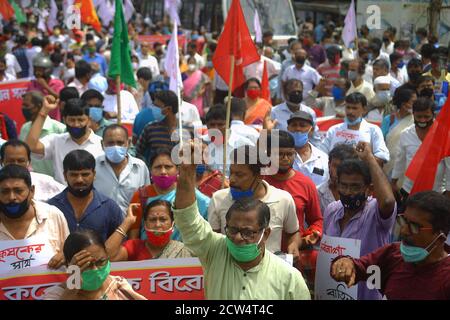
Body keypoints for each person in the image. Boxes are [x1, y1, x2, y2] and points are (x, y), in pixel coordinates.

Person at [172, 141, 310, 299]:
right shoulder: (215, 251)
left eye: (247, 232)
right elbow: (187, 220)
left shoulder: (290, 278)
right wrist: (186, 173)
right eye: (232, 230)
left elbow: (294, 232)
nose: (238, 237)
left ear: (265, 234)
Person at [330, 191, 450, 300]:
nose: (404, 231)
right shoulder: (393, 254)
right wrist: (345, 263)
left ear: (440, 238)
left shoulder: (445, 279)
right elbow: (359, 267)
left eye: (415, 227)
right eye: (403, 221)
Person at [323, 141, 397, 300]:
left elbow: (388, 202)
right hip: (333, 292)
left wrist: (370, 159)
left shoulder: (375, 212)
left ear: (369, 189)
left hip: (368, 294)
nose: (348, 192)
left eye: (355, 187)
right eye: (344, 185)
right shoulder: (332, 210)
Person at [208, 145, 302, 258]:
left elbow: (293, 233)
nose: (232, 179)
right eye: (231, 172)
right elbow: (213, 240)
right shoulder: (218, 199)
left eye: (239, 175)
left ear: (260, 176)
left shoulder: (283, 200)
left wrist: (294, 245)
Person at [127, 148, 210, 241]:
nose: (163, 172)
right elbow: (133, 238)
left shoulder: (189, 193)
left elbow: (207, 213)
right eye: (158, 167)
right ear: (150, 170)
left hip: (183, 253)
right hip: (148, 253)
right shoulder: (141, 196)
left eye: (168, 167)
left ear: (177, 170)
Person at [0, 164, 69, 269]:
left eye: (18, 191)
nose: (12, 197)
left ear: (32, 191)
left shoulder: (52, 215)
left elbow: (70, 255)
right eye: (5, 192)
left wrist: (66, 256)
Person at [42, 230, 146, 300]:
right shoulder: (55, 295)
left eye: (101, 262)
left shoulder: (118, 286)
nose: (95, 270)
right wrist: (72, 286)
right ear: (70, 266)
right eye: (87, 265)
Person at [25, 96, 104, 184]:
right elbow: (30, 146)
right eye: (72, 120)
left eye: (81, 120)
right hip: (63, 196)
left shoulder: (101, 143)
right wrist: (44, 112)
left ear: (88, 120)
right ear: (64, 120)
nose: (76, 124)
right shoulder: (55, 141)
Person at [48, 150, 123, 241]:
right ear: (65, 175)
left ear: (94, 174)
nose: (79, 180)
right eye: (74, 175)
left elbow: (119, 246)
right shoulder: (51, 208)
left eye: (85, 174)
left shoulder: (110, 208)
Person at [263, 130, 323, 242]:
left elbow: (317, 220)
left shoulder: (306, 184)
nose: (286, 158)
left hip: (295, 252)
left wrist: (313, 234)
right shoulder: (258, 180)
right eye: (280, 154)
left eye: (290, 154)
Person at [391, 98, 447, 203]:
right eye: (419, 116)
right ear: (413, 115)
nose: (422, 120)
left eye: (426, 116)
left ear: (433, 115)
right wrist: (393, 182)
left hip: (436, 193)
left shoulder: (445, 135)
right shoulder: (406, 134)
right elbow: (400, 160)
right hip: (409, 191)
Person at [107, 200, 193, 261]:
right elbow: (106, 257)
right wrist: (127, 222)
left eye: (163, 219)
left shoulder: (182, 251)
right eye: (152, 219)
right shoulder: (134, 247)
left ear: (172, 223)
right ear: (145, 224)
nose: (157, 224)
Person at [94, 124, 150, 215]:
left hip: (134, 226)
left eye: (120, 143)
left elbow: (147, 198)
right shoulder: (94, 166)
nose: (115, 147)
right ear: (102, 144)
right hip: (102, 226)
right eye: (110, 143)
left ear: (128, 143)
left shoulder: (140, 167)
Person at [319, 92, 390, 165]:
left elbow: (383, 156)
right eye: (348, 107)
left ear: (364, 109)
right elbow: (321, 153)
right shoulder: (334, 130)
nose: (350, 111)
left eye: (354, 108)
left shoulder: (373, 130)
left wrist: (366, 158)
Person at [19, 91, 66, 176]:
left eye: (26, 105)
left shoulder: (58, 128)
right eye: (22, 105)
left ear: (39, 106)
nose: (23, 108)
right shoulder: (25, 128)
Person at [0, 140, 65, 202]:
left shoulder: (46, 182)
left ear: (29, 162)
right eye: (11, 161)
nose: (16, 165)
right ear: (1, 162)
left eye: (21, 161)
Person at [135, 90, 182, 165]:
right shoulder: (150, 128)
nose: (153, 109)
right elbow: (137, 152)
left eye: (157, 106)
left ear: (168, 109)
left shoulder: (185, 130)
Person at [270, 79, 320, 145]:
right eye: (293, 92)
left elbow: (315, 139)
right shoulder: (274, 112)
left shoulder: (309, 112)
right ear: (285, 94)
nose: (296, 94)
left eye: (299, 92)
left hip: (304, 151)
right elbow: (267, 141)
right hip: (282, 152)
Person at [287, 111, 329, 187]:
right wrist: (265, 132)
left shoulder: (323, 159)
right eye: (294, 125)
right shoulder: (279, 156)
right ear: (288, 129)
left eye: (302, 125)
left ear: (312, 130)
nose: (297, 128)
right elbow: (262, 171)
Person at [317, 144, 359, 214]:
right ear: (329, 165)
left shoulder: (359, 194)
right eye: (335, 166)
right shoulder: (318, 193)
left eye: (342, 167)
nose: (337, 171)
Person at [27, 55, 64, 120]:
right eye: (35, 69)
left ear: (48, 70)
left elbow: (60, 98)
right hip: (37, 120)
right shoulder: (32, 83)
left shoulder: (58, 83)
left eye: (40, 70)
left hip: (54, 120)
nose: (37, 73)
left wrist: (45, 86)